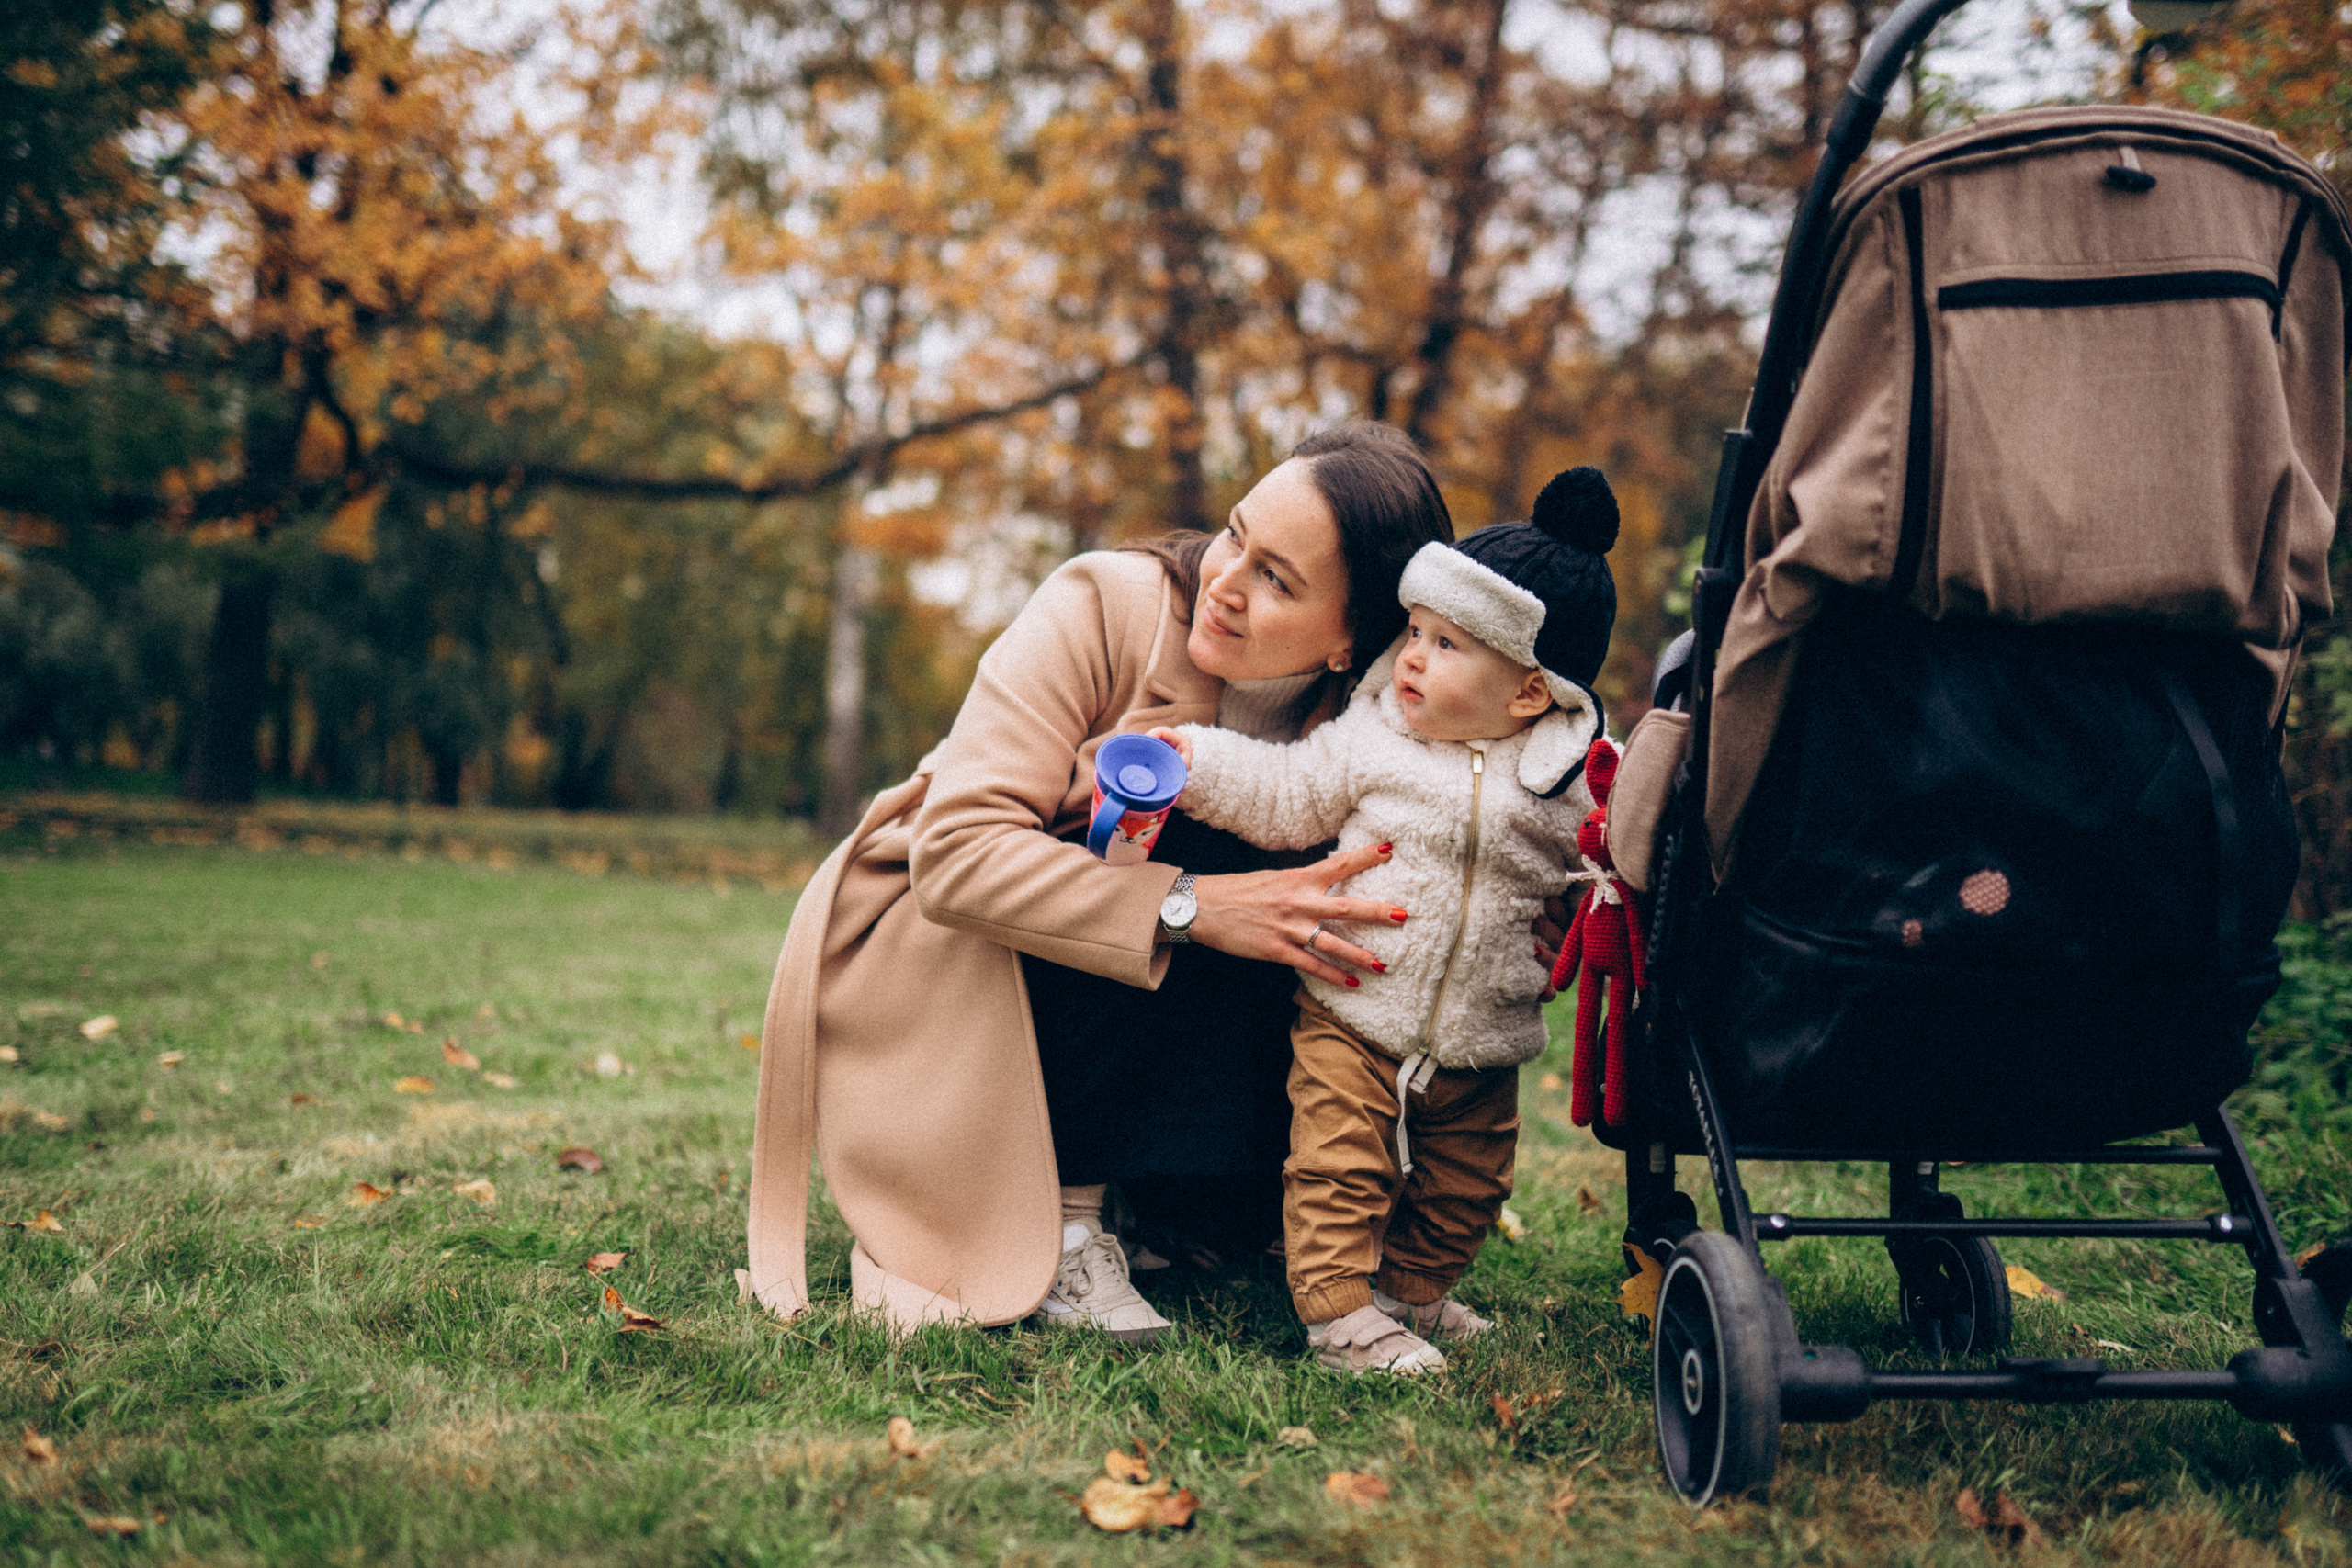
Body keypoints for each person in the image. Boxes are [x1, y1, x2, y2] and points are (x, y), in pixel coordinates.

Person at [741, 422, 1469, 1339]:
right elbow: (957, 853)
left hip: (1164, 1005)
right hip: (959, 937)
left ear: (1348, 641)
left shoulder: (1378, 719)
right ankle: (1067, 1227)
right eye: (1235, 535)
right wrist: (1194, 905)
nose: (1226, 581)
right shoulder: (1103, 601)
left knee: (1333, 879)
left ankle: (1231, 1208)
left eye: (1277, 579)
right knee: (1185, 826)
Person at [1150, 467, 1621, 1373]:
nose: (1410, 657)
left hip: (1481, 1038)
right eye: (1414, 631)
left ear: (1530, 692)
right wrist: (1197, 762)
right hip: (1353, 1013)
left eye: (1447, 646)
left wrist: (1599, 888)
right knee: (1336, 1171)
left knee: (1468, 1188)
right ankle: (1336, 1319)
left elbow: (1611, 849)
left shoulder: (1569, 777)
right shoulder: (1374, 739)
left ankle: (1411, 1294)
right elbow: (1285, 794)